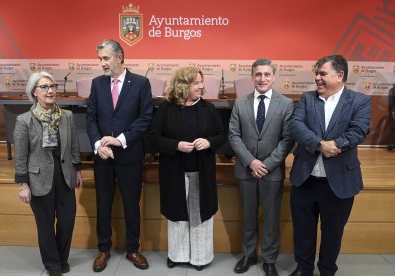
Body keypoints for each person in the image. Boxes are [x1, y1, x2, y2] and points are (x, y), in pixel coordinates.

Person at [288, 55, 371, 276]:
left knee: (333, 233)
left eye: (322, 73)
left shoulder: (360, 101)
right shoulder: (307, 99)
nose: (317, 78)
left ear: (339, 75)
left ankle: (326, 270)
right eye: (316, 73)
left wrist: (335, 145)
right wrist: (318, 145)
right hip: (305, 180)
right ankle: (303, 269)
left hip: (339, 182)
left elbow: (359, 130)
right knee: (303, 231)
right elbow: (295, 126)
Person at [149, 66, 226, 271]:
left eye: (202, 82)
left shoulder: (208, 109)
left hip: (202, 171)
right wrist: (175, 145)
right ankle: (177, 255)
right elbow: (154, 138)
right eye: (196, 83)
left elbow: (221, 135)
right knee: (177, 215)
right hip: (174, 172)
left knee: (200, 215)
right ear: (183, 85)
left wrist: (208, 142)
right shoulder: (166, 109)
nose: (202, 86)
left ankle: (201, 257)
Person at [86, 39, 153, 272]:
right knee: (103, 204)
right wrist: (97, 145)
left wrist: (120, 139)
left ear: (120, 57)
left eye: (106, 58)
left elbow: (145, 118)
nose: (102, 63)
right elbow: (91, 118)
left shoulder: (141, 83)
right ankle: (103, 249)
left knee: (131, 205)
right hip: (103, 156)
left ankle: (133, 249)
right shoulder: (97, 84)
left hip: (129, 155)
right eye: (100, 59)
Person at [228, 58, 294, 276]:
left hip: (272, 172)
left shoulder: (285, 104)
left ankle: (269, 259)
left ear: (274, 76)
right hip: (246, 170)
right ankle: (248, 254)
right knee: (248, 215)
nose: (262, 78)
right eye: (258, 74)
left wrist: (266, 164)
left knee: (272, 217)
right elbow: (234, 136)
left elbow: (287, 140)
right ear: (252, 77)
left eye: (267, 74)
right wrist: (251, 162)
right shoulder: (240, 103)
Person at [14, 71, 83, 276]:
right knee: (45, 225)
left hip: (65, 175)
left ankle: (62, 258)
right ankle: (53, 264)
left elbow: (73, 145)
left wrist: (77, 169)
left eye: (52, 86)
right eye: (44, 87)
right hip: (38, 178)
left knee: (67, 220)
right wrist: (23, 184)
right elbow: (21, 155)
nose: (50, 90)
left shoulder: (67, 116)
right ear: (34, 92)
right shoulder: (24, 120)